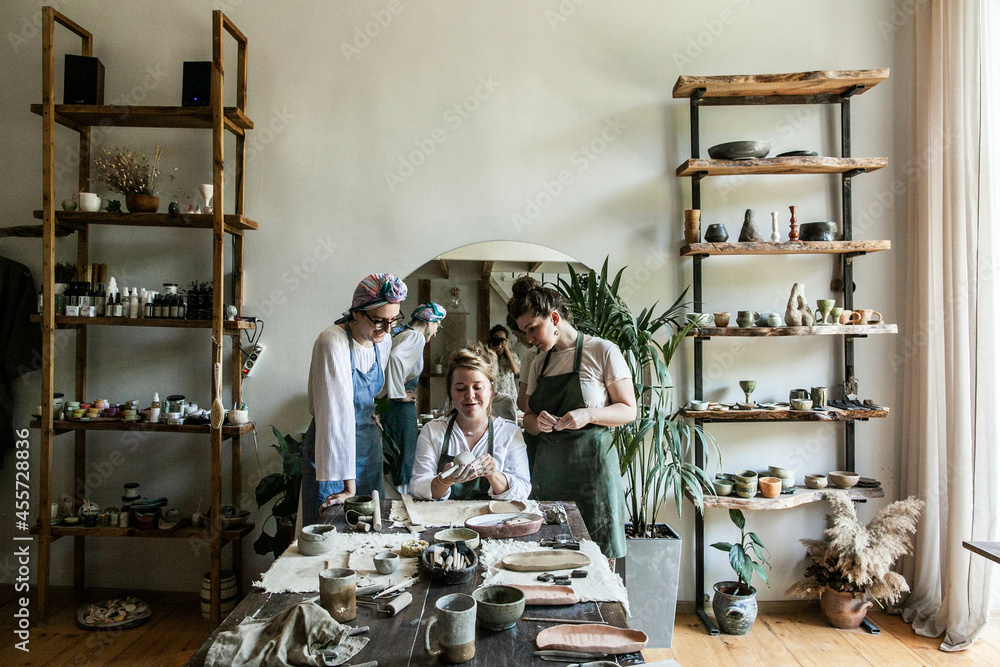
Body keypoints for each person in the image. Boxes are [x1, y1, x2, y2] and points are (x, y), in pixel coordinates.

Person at [509, 276, 636, 559]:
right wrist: (536, 422)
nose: (529, 339)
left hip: (592, 474)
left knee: (599, 557)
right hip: (548, 473)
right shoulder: (539, 362)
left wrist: (589, 414)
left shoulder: (602, 351)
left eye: (532, 329)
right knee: (549, 556)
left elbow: (628, 410)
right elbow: (527, 418)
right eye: (524, 332)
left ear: (554, 318)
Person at [303, 273, 407, 527]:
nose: (387, 330)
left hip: (368, 445)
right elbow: (334, 415)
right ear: (357, 313)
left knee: (372, 524)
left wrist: (370, 415)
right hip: (332, 449)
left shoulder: (382, 342)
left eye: (393, 321)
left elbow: (370, 394)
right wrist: (348, 484)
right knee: (332, 525)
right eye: (380, 321)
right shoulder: (332, 341)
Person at [409, 344, 531, 501]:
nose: (470, 396)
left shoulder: (509, 433)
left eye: (478, 387)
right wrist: (444, 480)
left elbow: (523, 490)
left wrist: (494, 475)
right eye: (460, 388)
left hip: (493, 521)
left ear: (491, 390)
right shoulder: (432, 431)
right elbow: (417, 487)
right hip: (445, 522)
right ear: (450, 391)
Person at [380, 302, 446, 493]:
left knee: (394, 455)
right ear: (429, 322)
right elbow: (395, 359)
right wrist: (399, 394)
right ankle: (403, 501)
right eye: (437, 326)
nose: (435, 332)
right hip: (399, 409)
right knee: (403, 456)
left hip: (390, 406)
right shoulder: (416, 337)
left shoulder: (402, 334)